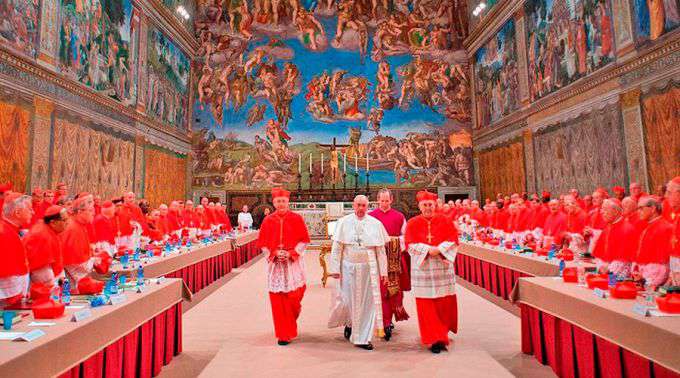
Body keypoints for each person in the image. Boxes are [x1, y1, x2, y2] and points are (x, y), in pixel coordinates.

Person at [328, 195, 389, 350]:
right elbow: (336, 249)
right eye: (358, 205)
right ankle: (350, 323)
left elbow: (381, 251)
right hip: (348, 268)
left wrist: (384, 272)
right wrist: (334, 269)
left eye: (364, 205)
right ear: (353, 205)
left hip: (369, 269)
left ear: (368, 206)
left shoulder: (376, 224)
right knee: (348, 300)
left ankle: (363, 338)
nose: (361, 208)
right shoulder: (344, 222)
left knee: (367, 303)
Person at [405, 190, 459, 354]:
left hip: (441, 269)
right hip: (424, 270)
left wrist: (439, 249)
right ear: (419, 206)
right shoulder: (413, 223)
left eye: (430, 204)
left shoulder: (446, 220)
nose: (428, 207)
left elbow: (453, 239)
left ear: (435, 205)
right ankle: (432, 338)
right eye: (425, 205)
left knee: (443, 302)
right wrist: (429, 250)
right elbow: (409, 244)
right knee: (426, 304)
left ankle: (442, 335)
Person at [256, 188, 310, 345]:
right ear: (274, 203)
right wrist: (273, 254)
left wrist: (291, 253)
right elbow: (263, 244)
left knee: (295, 297)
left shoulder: (296, 218)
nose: (281, 204)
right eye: (278, 201)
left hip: (293, 264)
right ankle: (283, 334)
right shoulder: (268, 220)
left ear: (288, 202)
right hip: (276, 265)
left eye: (283, 201)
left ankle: (291, 320)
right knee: (278, 300)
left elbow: (304, 240)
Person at [368, 188, 409, 341]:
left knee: (394, 290)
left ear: (391, 200)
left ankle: (390, 319)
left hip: (394, 259)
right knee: (380, 290)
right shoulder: (370, 217)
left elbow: (405, 237)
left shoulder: (399, 217)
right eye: (382, 200)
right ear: (378, 200)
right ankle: (383, 321)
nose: (384, 203)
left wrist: (394, 243)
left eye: (387, 200)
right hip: (377, 260)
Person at [632, 196, 672, 287]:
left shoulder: (665, 228)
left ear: (653, 209)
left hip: (654, 282)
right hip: (642, 278)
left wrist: (645, 279)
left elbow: (663, 264)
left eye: (641, 208)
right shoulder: (648, 226)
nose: (638, 212)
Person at [0, 192, 32, 305]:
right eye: (29, 209)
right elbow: (7, 274)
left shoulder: (12, 230)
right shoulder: (4, 233)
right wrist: (16, 295)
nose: (33, 212)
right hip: (8, 299)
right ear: (17, 212)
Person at [592, 198, 637, 277]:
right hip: (605, 272)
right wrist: (601, 267)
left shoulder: (627, 229)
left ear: (616, 212)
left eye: (605, 209)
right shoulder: (607, 228)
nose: (601, 212)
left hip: (620, 275)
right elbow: (599, 254)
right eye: (602, 209)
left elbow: (623, 261)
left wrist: (608, 270)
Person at [24, 205, 66, 286]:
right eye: (65, 220)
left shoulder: (47, 228)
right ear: (53, 222)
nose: (68, 222)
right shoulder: (42, 236)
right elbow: (42, 273)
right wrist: (55, 284)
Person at [61, 195, 96, 285]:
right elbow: (71, 261)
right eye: (91, 210)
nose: (94, 213)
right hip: (71, 278)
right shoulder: (72, 228)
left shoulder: (80, 225)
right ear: (80, 212)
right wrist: (94, 262)